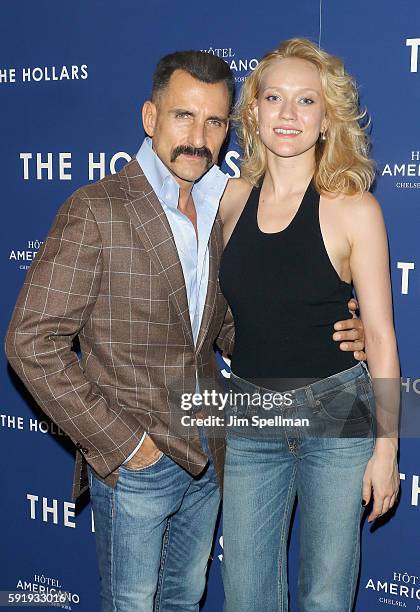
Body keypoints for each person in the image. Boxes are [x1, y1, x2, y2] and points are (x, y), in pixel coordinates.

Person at [5, 49, 366, 612]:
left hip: (211, 454)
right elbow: (29, 342)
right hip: (136, 462)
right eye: (183, 116)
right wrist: (125, 446)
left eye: (215, 121)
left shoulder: (221, 205)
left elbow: (229, 322)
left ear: (229, 129)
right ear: (150, 118)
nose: (199, 136)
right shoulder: (96, 208)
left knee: (187, 599)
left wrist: (333, 333)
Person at [219, 38, 400, 612]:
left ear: (327, 119)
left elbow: (383, 339)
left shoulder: (355, 208)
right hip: (249, 417)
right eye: (274, 98)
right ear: (254, 111)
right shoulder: (229, 201)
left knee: (326, 598)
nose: (288, 114)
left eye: (306, 101)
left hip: (336, 415)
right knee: (247, 598)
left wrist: (388, 449)